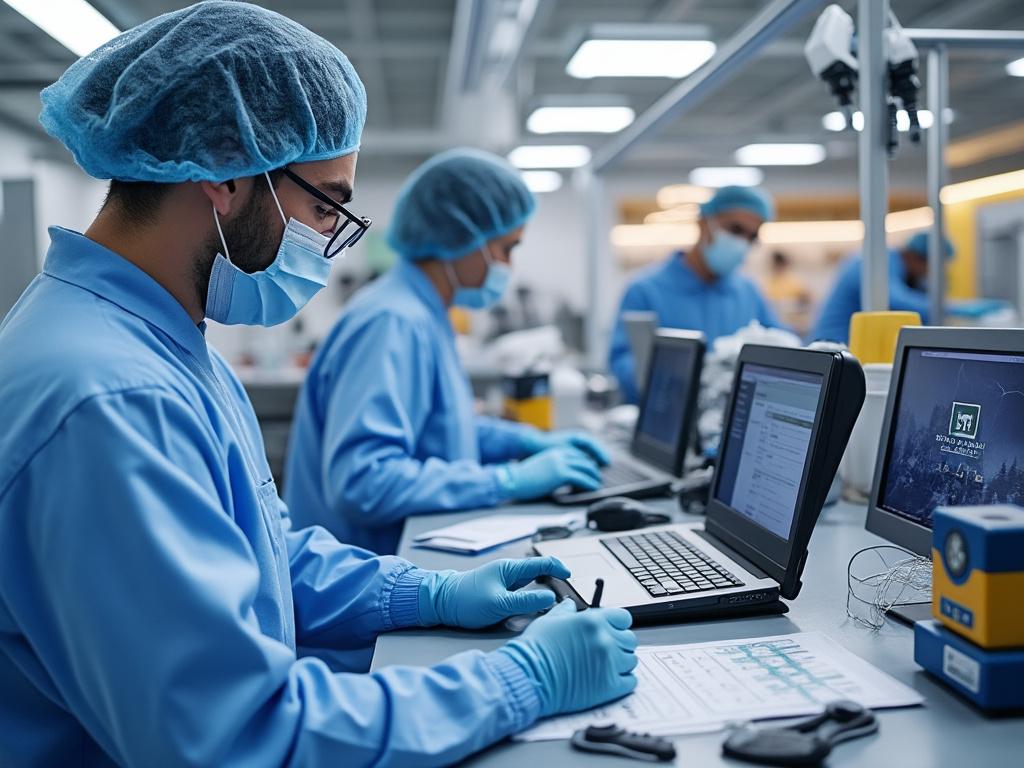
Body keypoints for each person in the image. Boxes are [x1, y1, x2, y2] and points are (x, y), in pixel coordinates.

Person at [0, 5, 637, 766]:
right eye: (325, 204)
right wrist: (520, 680)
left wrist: (427, 595)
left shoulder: (159, 339)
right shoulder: (107, 400)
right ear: (228, 176)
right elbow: (239, 737)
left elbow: (260, 555)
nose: (330, 239)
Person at [285, 149, 609, 554]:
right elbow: (363, 482)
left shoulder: (423, 313)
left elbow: (439, 428)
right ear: (462, 238)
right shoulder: (393, 321)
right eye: (506, 248)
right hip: (366, 576)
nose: (509, 265)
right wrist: (508, 480)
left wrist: (524, 442)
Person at [608, 185, 781, 403]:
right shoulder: (646, 290)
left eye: (752, 237)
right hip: (666, 420)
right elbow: (624, 364)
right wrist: (674, 380)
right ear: (703, 223)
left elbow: (783, 348)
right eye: (735, 230)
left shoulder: (748, 293)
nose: (742, 243)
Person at [809, 232, 955, 344]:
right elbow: (895, 300)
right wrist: (950, 308)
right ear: (917, 258)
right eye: (930, 267)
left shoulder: (901, 269)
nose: (928, 273)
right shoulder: (879, 260)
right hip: (835, 342)